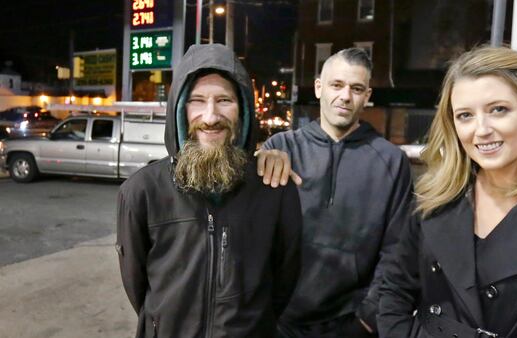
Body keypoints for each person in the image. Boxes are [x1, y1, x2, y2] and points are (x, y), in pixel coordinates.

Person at [378, 46, 517, 337]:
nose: (481, 130)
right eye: (465, 115)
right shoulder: (434, 198)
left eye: (498, 110)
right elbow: (393, 294)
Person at [116, 43, 303, 338]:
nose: (211, 116)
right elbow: (137, 286)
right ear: (179, 108)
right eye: (197, 100)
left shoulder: (274, 189)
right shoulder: (141, 191)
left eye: (224, 100)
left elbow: (283, 282)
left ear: (243, 108)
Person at [261, 47, 414, 337]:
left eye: (356, 88)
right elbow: (252, 234)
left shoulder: (391, 162)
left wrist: (367, 319)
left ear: (367, 96)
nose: (345, 96)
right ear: (319, 88)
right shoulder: (280, 149)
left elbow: (398, 250)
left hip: (350, 323)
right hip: (279, 321)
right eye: (337, 85)